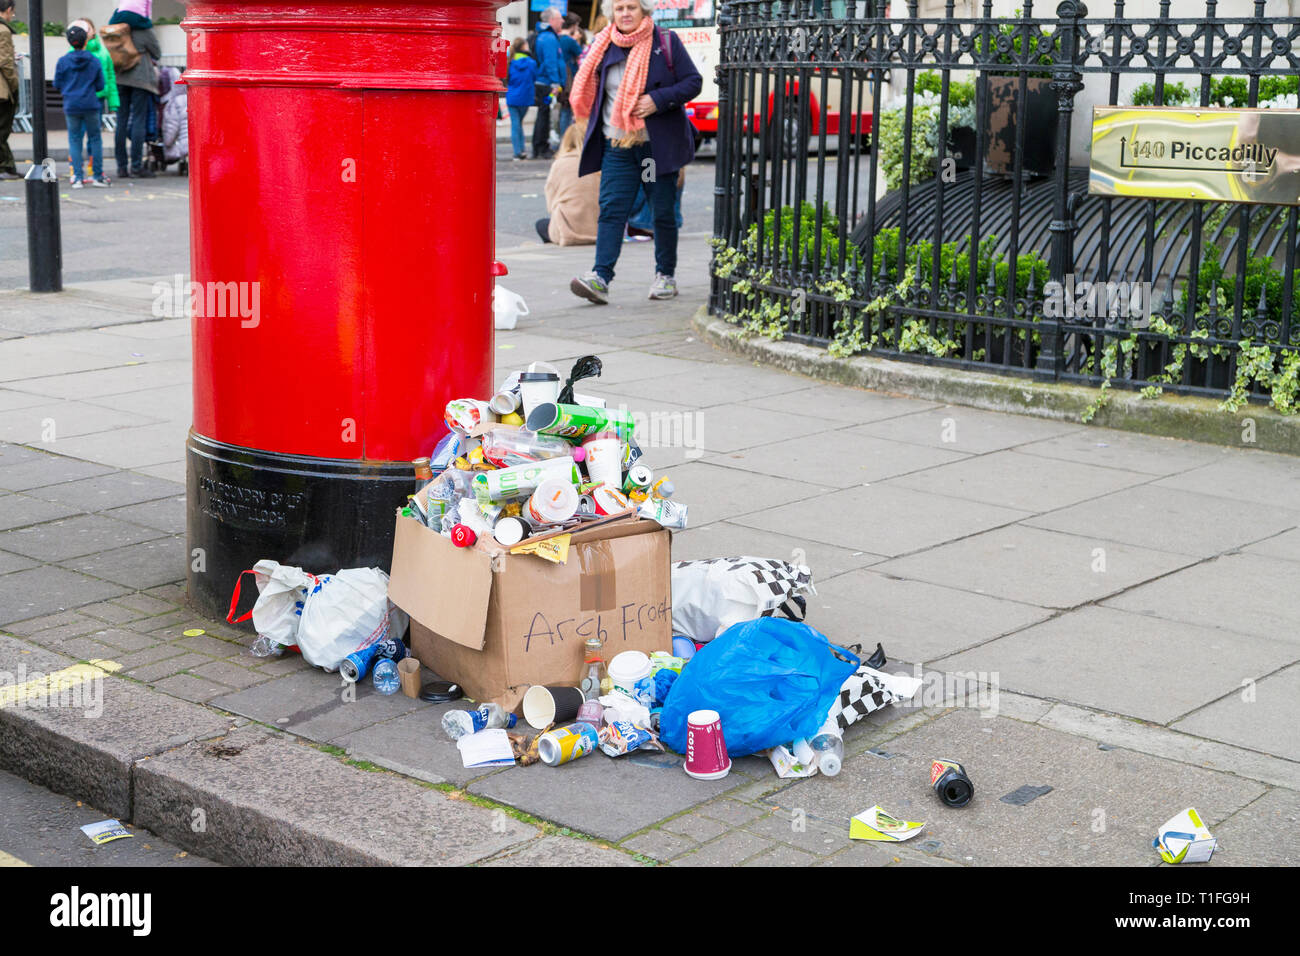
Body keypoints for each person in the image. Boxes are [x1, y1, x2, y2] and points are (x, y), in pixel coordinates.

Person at [568, 0, 702, 303]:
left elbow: (693, 82)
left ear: (644, 11)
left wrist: (658, 99)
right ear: (611, 14)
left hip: (651, 151)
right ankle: (600, 277)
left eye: (631, 7)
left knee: (661, 211)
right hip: (616, 146)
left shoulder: (664, 41)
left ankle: (665, 275)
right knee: (612, 209)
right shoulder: (602, 47)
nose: (625, 13)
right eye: (619, 9)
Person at [108, 0, 161, 179]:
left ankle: (121, 167)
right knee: (138, 120)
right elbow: (157, 52)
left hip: (120, 77)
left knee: (121, 122)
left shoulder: (115, 26)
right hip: (140, 79)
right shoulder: (143, 28)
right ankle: (136, 166)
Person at [54, 25, 108, 189]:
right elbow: (100, 85)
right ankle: (97, 176)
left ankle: (77, 176)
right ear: (86, 41)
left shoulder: (63, 61)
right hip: (91, 103)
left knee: (75, 140)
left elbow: (57, 83)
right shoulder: (94, 60)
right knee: (95, 139)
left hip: (71, 104)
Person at [68, 18, 117, 184]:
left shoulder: (101, 52)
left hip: (92, 99)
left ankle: (87, 172)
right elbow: (101, 81)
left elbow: (109, 76)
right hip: (91, 100)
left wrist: (113, 101)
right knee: (87, 136)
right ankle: (83, 172)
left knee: (86, 138)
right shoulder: (87, 57)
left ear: (93, 31)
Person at [536, 121, 600, 245]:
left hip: (568, 227)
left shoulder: (560, 163)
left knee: (541, 225)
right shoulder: (598, 162)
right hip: (598, 228)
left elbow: (550, 198)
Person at [531, 7, 565, 161]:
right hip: (547, 86)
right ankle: (542, 147)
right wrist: (555, 83)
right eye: (559, 18)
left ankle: (539, 146)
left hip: (544, 83)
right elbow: (551, 62)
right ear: (552, 20)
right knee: (545, 114)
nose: (562, 21)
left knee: (543, 114)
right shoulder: (549, 38)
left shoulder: (544, 36)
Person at [504, 37, 538, 162]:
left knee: (515, 125)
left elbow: (506, 78)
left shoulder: (510, 62)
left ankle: (517, 152)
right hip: (526, 97)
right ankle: (522, 150)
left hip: (512, 97)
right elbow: (535, 77)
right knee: (519, 124)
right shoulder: (531, 63)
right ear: (524, 47)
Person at [554, 13, 583, 138]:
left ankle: (561, 139)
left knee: (563, 109)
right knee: (568, 111)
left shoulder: (556, 38)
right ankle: (566, 141)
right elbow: (582, 56)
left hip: (559, 77)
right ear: (573, 26)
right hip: (571, 79)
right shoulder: (570, 41)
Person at [0, 0, 20, 181]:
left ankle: (9, 166)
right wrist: (14, 85)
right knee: (2, 129)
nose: (12, 15)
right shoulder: (3, 31)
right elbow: (5, 63)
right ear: (8, 10)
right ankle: (6, 167)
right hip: (2, 90)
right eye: (12, 12)